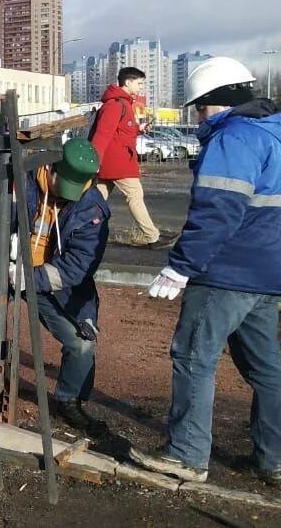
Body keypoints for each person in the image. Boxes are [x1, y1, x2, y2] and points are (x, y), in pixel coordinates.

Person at [129, 57, 281, 488]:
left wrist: (182, 267)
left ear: (219, 100)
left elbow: (218, 209)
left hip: (227, 269)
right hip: (270, 272)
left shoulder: (235, 138)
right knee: (266, 368)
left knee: (194, 356)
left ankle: (186, 455)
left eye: (200, 107)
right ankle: (274, 459)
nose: (197, 115)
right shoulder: (275, 132)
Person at [0, 138, 110, 433]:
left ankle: (70, 399)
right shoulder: (16, 179)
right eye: (62, 186)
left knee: (81, 342)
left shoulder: (92, 209)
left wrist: (29, 278)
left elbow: (77, 267)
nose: (66, 196)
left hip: (50, 282)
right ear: (50, 169)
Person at [90, 66, 173, 248]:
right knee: (135, 196)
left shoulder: (122, 103)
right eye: (139, 83)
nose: (141, 87)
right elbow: (102, 135)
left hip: (113, 162)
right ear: (128, 82)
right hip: (118, 163)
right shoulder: (116, 105)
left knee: (96, 199)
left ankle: (79, 229)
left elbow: (122, 131)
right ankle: (152, 237)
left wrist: (139, 129)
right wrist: (94, 160)